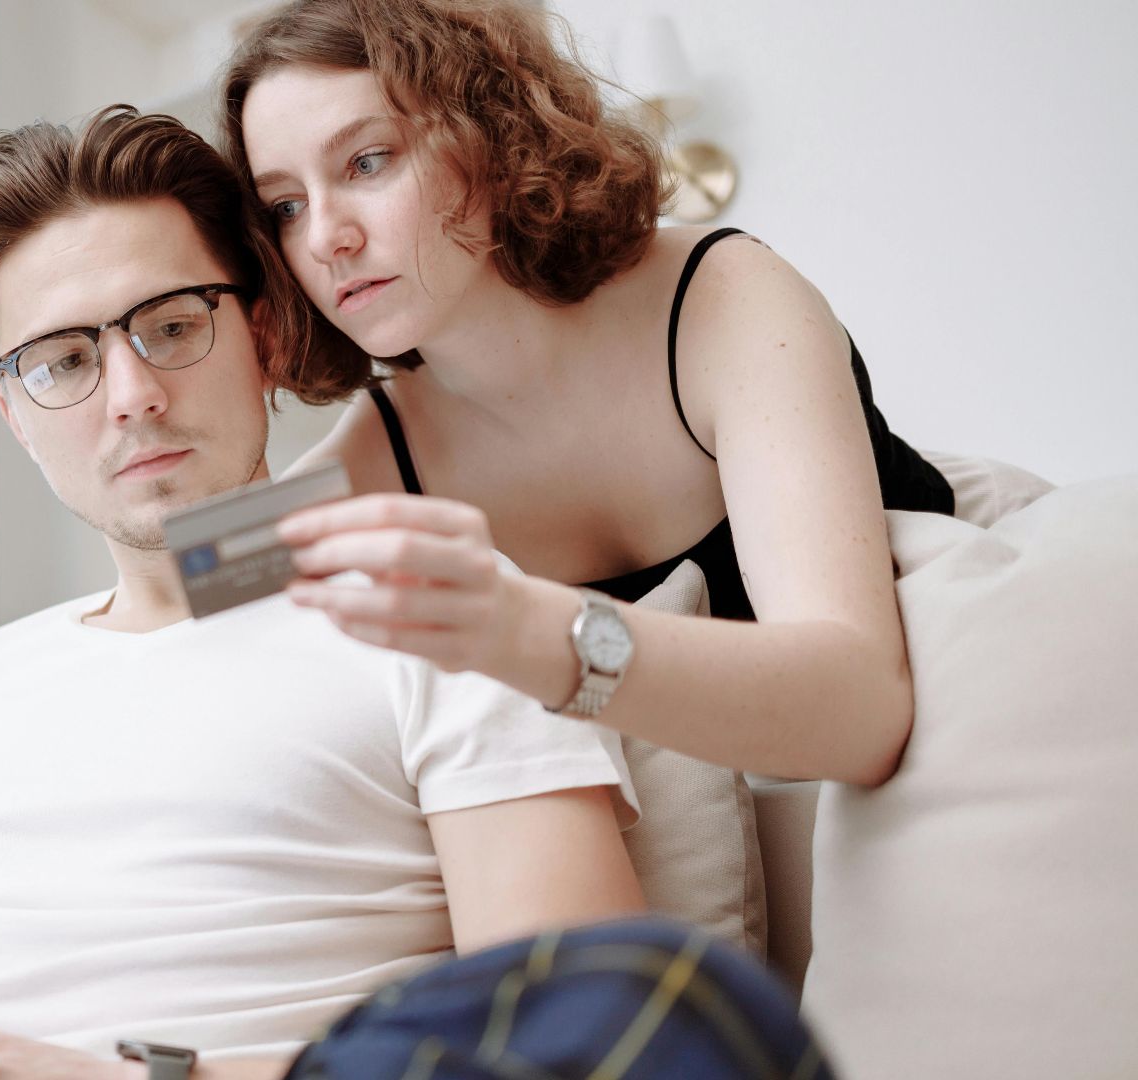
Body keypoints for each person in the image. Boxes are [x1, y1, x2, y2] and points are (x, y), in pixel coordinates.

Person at [0, 105, 645, 1079]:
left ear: (264, 336)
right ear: (16, 417)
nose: (131, 395)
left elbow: (576, 1055)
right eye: (64, 361)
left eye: (174, 327)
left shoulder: (451, 616)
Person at [221, 0, 956, 788]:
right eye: (285, 207)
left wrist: (529, 633)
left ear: (490, 132)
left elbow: (863, 719)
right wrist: (203, 361)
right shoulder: (375, 459)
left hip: (970, 736)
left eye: (367, 162)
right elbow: (181, 574)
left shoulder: (723, 300)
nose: (325, 238)